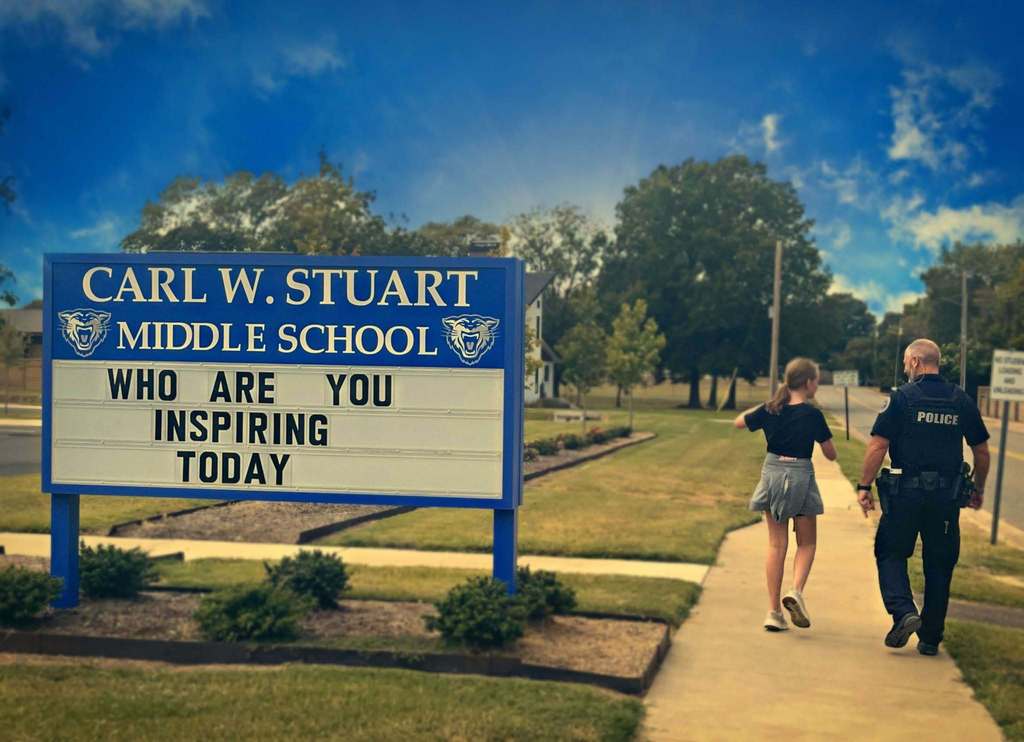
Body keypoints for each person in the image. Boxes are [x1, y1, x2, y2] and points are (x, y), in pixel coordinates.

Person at [856, 338, 990, 656]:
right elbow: (981, 451)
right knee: (940, 564)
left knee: (890, 552)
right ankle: (930, 638)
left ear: (916, 361)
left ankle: (904, 612)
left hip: (906, 494)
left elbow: (878, 446)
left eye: (906, 362)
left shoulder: (902, 398)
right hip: (945, 497)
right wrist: (977, 488)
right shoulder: (960, 400)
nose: (905, 368)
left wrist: (864, 486)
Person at [735, 358, 837, 632]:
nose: (817, 384)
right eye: (816, 380)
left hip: (772, 475)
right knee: (806, 543)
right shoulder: (813, 415)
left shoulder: (770, 410)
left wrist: (765, 406)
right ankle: (796, 591)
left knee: (776, 545)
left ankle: (773, 612)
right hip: (801, 475)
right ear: (807, 383)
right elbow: (831, 453)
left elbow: (738, 423)